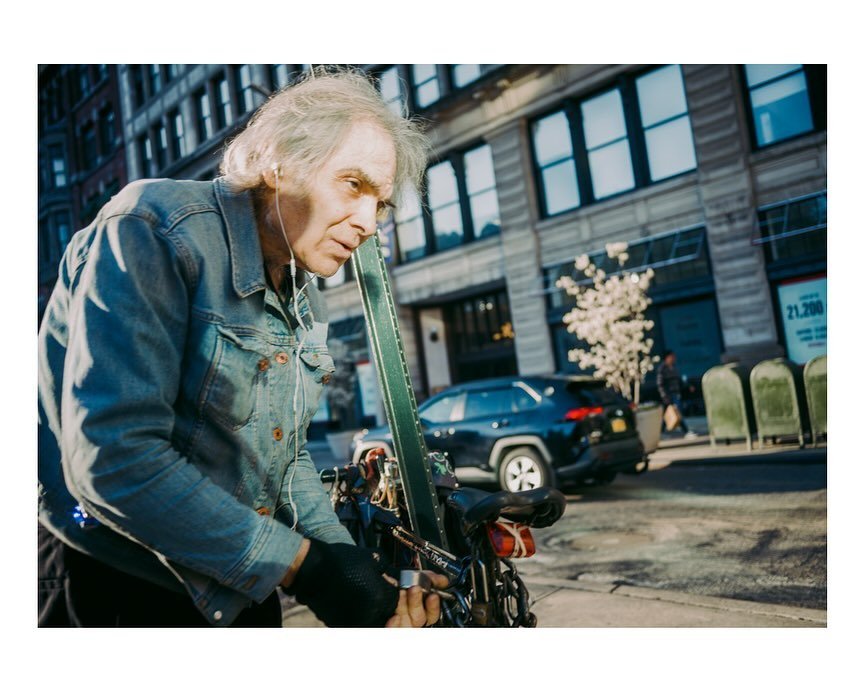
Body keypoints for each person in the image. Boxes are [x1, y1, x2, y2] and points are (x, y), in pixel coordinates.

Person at [37, 67, 447, 627]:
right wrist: (309, 569)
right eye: (354, 185)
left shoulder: (306, 294)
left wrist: (343, 562)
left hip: (241, 578)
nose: (368, 223)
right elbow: (115, 457)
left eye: (382, 206)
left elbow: (283, 456)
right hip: (117, 578)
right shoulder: (153, 228)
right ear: (279, 162)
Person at [656, 350, 697, 438]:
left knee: (668, 415)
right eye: (672, 356)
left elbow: (679, 380)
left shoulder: (673, 367)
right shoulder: (662, 368)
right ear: (667, 357)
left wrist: (688, 386)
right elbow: (660, 384)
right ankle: (686, 431)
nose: (674, 358)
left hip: (676, 393)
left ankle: (660, 433)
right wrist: (665, 396)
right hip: (669, 395)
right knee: (677, 413)